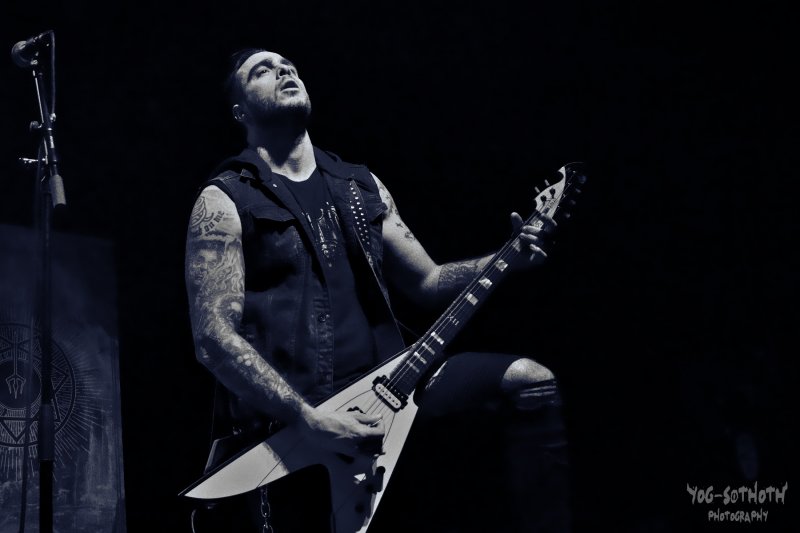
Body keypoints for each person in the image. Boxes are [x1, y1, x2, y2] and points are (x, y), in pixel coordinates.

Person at [185, 48, 569, 532]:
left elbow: (428, 282)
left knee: (531, 380)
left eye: (289, 66)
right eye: (262, 70)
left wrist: (506, 257)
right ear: (240, 111)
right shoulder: (225, 198)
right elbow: (214, 338)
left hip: (397, 385)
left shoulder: (360, 185)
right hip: (297, 421)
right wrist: (307, 417)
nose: (283, 70)